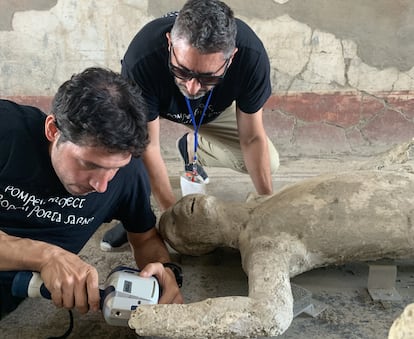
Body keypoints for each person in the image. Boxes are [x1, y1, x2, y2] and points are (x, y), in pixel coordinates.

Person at [0, 67, 183, 320]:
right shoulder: (6, 132)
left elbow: (144, 239)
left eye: (114, 169)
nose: (102, 185)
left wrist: (165, 270)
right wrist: (45, 256)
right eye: (90, 165)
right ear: (54, 130)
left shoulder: (129, 175)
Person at [101, 0, 280, 250]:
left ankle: (193, 148)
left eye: (208, 76)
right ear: (169, 43)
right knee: (122, 154)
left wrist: (267, 206)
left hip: (213, 110)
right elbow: (148, 147)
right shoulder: (142, 58)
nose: (192, 87)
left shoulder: (252, 57)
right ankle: (137, 217)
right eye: (182, 71)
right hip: (156, 103)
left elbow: (251, 138)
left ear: (232, 57)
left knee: (269, 163)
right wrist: (173, 219)